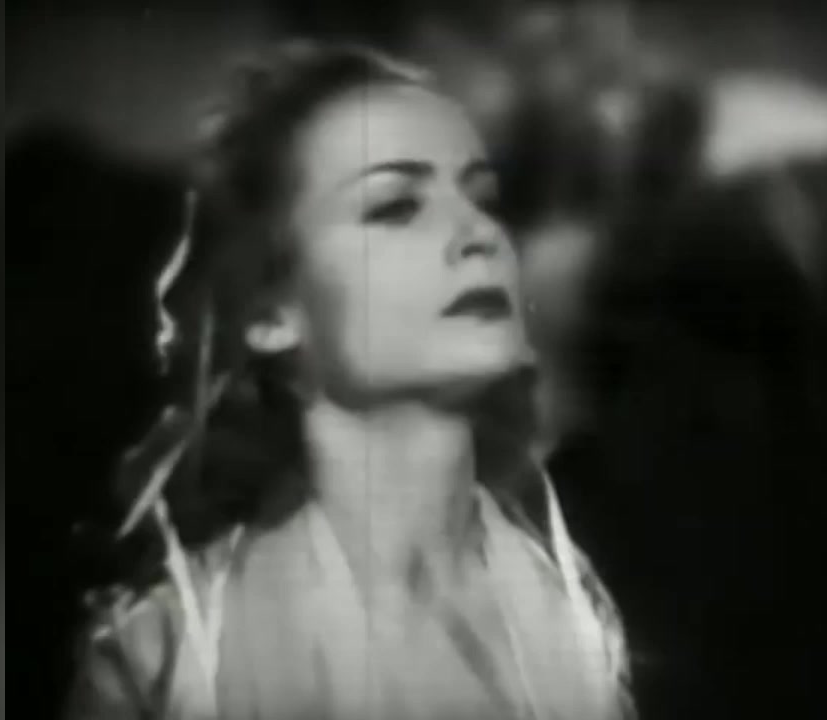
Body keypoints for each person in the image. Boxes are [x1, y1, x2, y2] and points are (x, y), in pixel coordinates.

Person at [63, 42, 633, 720]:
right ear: (272, 311)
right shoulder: (162, 657)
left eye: (484, 198)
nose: (476, 232)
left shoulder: (572, 615)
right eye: (394, 206)